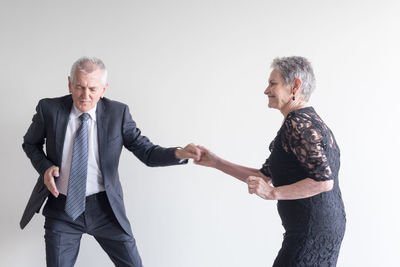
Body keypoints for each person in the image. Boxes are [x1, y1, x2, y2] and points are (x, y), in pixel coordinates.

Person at [20, 56, 201, 267]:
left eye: (92, 89)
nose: (85, 95)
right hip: (63, 208)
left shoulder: (118, 114)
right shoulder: (49, 109)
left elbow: (147, 152)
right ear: (70, 83)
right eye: (79, 87)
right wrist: (45, 168)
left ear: (104, 89)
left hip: (105, 209)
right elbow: (30, 144)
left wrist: (180, 153)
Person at [195, 56, 346, 266]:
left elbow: (323, 181)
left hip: (311, 232)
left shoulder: (299, 125)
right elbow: (264, 176)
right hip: (322, 226)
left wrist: (273, 193)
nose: (266, 91)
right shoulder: (305, 121)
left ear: (295, 85)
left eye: (272, 84)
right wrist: (216, 162)